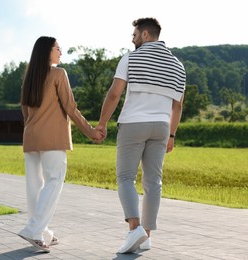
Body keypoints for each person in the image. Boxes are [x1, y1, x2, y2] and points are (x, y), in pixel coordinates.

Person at [96, 17, 186, 254]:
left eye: (135, 34)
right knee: (153, 181)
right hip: (161, 127)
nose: (132, 39)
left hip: (133, 125)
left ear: (146, 35)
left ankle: (134, 228)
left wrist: (102, 123)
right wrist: (172, 135)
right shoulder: (178, 65)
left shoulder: (131, 58)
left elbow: (115, 94)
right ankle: (146, 236)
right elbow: (177, 106)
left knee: (126, 178)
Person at [18, 36, 104, 253]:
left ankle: (41, 232)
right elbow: (71, 108)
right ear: (48, 51)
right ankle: (33, 229)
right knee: (54, 181)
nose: (61, 52)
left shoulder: (29, 78)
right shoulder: (58, 73)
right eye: (58, 48)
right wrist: (91, 132)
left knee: (35, 186)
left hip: (31, 136)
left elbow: (25, 112)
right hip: (52, 138)